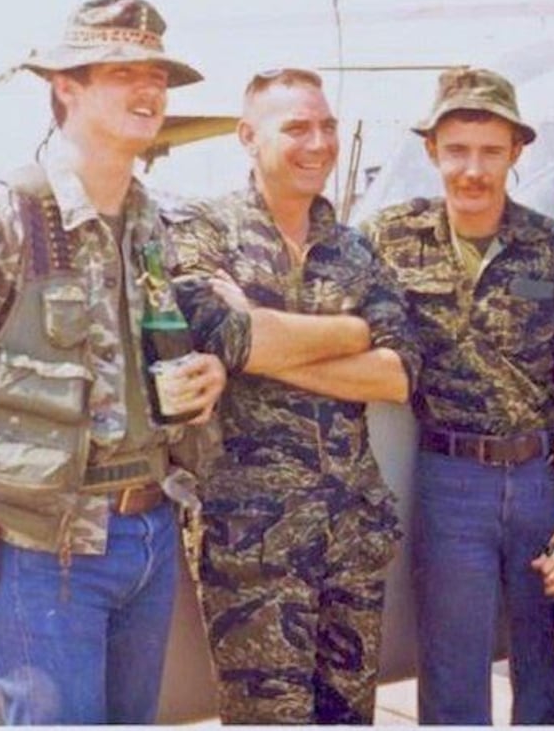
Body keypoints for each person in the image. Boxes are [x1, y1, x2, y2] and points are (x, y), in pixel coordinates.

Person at [0, 0, 227, 724]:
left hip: (148, 528)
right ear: (66, 86)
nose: (149, 89)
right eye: (123, 72)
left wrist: (205, 370)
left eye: (157, 73)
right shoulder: (8, 214)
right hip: (42, 544)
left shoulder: (151, 219)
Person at [165, 67, 420, 724]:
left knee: (349, 717)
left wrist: (267, 343)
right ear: (249, 137)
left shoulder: (355, 249)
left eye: (327, 125)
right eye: (297, 127)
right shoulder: (203, 229)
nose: (318, 142)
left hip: (352, 533)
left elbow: (396, 372)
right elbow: (224, 334)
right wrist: (350, 331)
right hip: (254, 544)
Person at [362, 67, 554, 725]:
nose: (473, 169)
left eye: (490, 151)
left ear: (517, 152)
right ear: (432, 152)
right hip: (451, 481)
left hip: (540, 478)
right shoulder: (389, 239)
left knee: (544, 666)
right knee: (451, 673)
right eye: (457, 150)